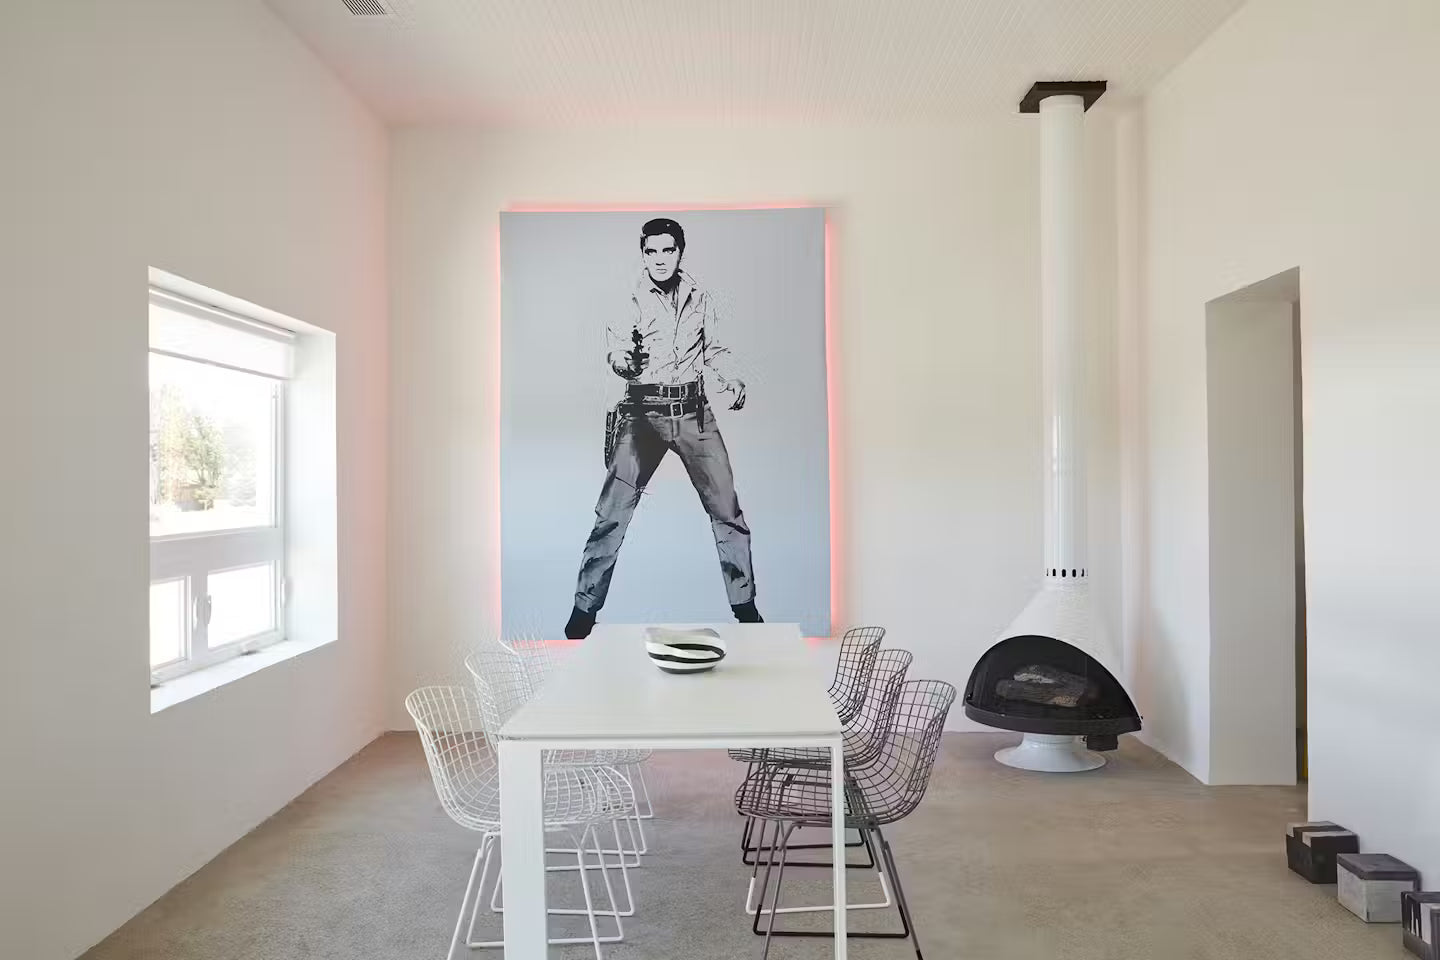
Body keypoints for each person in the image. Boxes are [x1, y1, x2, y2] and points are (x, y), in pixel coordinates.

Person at [563, 217, 762, 639]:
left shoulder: (700, 297)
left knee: (728, 511)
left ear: (680, 252)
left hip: (694, 411)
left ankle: (745, 608)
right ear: (642, 253)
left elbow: (716, 348)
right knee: (610, 516)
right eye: (650, 251)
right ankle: (584, 610)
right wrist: (625, 363)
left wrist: (732, 376)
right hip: (641, 414)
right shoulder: (627, 298)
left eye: (667, 250)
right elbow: (616, 351)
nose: (658, 259)